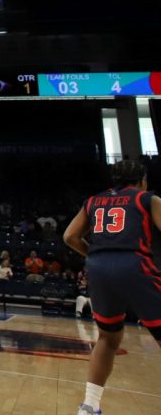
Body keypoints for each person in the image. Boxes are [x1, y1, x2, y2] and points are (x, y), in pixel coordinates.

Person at [63, 159, 161, 415]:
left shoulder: (93, 201)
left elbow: (69, 236)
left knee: (107, 338)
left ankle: (89, 406)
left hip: (98, 268)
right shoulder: (146, 199)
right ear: (142, 180)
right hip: (134, 264)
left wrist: (95, 256)